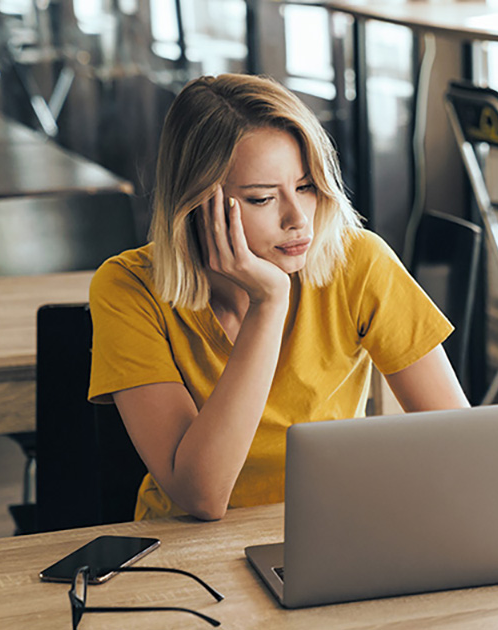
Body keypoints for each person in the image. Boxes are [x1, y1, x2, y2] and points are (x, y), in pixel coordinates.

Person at [88, 74, 469, 521]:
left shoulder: (358, 261)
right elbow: (202, 497)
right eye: (263, 198)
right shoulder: (127, 288)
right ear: (196, 204)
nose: (298, 220)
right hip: (187, 554)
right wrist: (268, 304)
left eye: (306, 187)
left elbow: (461, 443)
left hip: (334, 530)